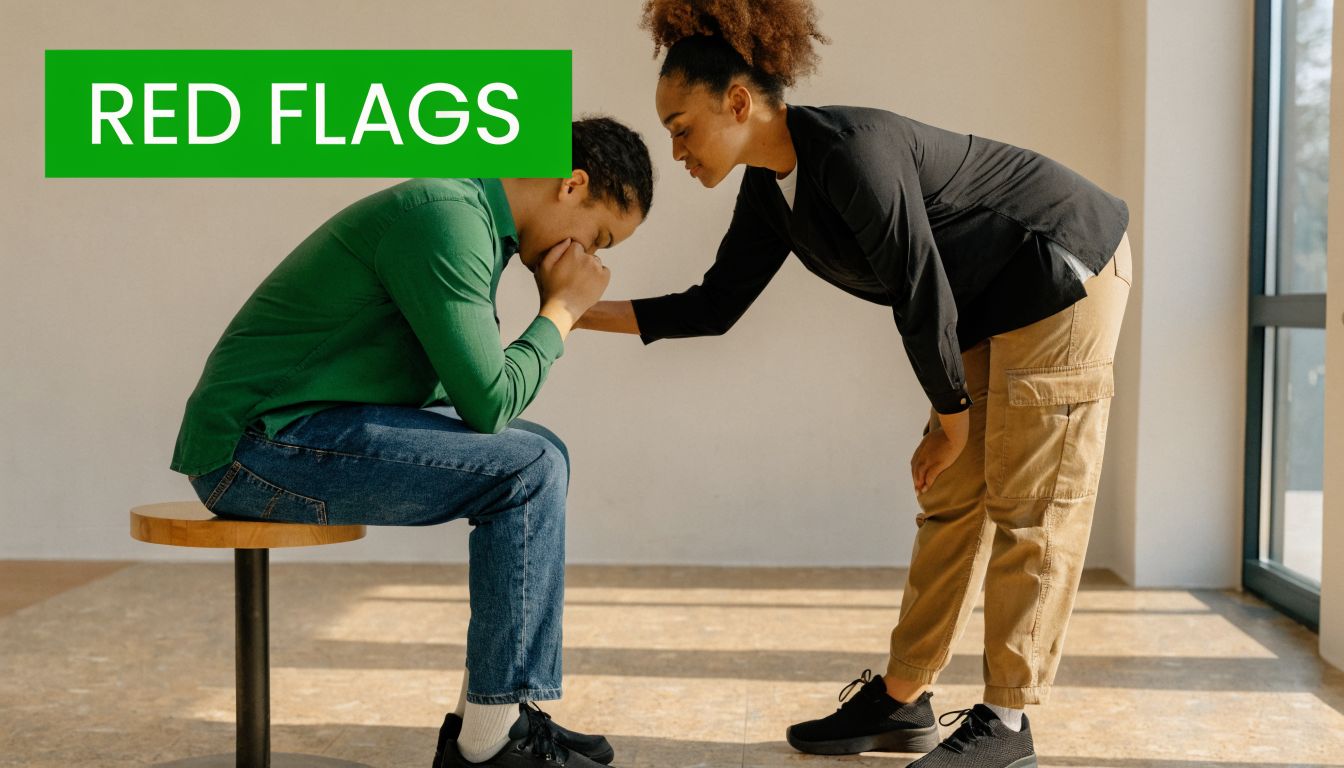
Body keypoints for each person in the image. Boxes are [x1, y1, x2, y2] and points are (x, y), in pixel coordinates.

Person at [577, 3, 1131, 766]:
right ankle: (904, 701)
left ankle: (1008, 725)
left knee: (1030, 504)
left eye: (681, 128)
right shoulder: (770, 192)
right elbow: (714, 306)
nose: (675, 150)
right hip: (983, 298)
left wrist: (952, 421)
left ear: (736, 103)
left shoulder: (852, 152)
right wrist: (570, 312)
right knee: (952, 498)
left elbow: (917, 286)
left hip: (1061, 262)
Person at [170, 117, 654, 768]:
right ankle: (490, 744)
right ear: (571, 185)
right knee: (531, 466)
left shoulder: (471, 219)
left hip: (297, 433)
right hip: (254, 450)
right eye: (600, 236)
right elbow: (489, 402)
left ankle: (491, 721)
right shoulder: (447, 219)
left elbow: (475, 392)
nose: (592, 259)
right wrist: (563, 311)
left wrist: (551, 312)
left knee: (543, 453)